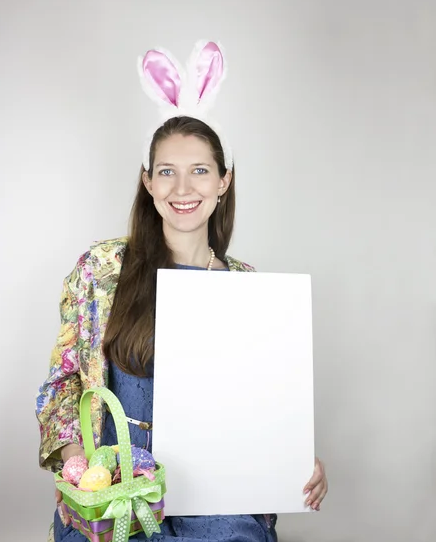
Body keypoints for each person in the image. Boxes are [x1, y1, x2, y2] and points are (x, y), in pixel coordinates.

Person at [36, 42, 328, 542]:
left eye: (200, 170)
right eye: (166, 171)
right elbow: (62, 387)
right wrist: (75, 458)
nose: (182, 188)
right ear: (148, 183)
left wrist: (295, 457)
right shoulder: (102, 270)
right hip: (118, 501)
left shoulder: (247, 286)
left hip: (219, 510)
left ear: (223, 182)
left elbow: (262, 404)